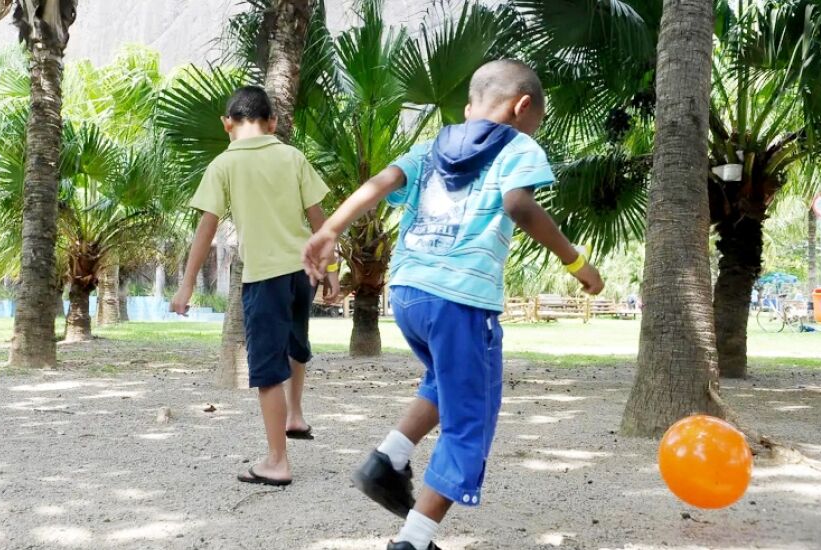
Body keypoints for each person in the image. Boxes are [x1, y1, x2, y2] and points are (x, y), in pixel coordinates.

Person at [302, 60, 604, 550]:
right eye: (537, 121)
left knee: (445, 381)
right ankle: (414, 540)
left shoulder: (432, 145)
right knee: (472, 417)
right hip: (460, 299)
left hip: (408, 292)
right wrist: (576, 262)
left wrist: (330, 229)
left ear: (469, 108)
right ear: (523, 107)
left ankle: (388, 459)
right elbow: (519, 206)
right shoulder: (518, 145)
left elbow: (381, 182)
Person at [170, 86, 339, 486]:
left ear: (227, 124)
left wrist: (188, 284)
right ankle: (295, 416)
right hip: (304, 274)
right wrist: (331, 267)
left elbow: (205, 228)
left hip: (264, 277)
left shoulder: (223, 165)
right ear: (273, 123)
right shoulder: (293, 156)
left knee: (266, 370)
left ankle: (277, 461)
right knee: (296, 345)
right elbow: (320, 220)